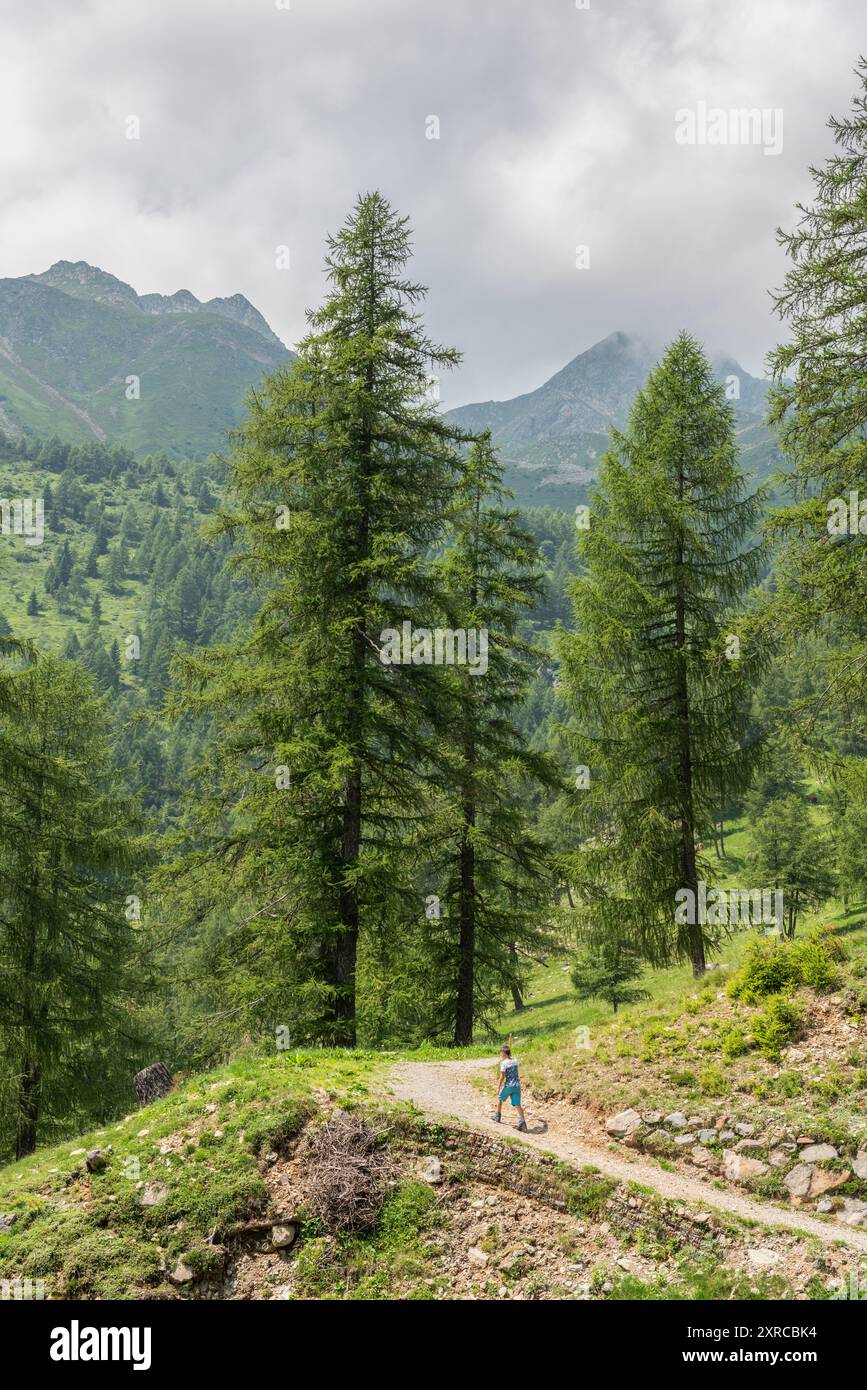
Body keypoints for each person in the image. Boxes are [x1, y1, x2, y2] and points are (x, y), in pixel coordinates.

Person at [491, 1045, 527, 1131]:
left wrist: (498, 1087)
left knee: (500, 1098)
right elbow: (512, 1062)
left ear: (504, 1053)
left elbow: (502, 1077)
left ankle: (497, 1116)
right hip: (517, 1086)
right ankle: (522, 1123)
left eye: (501, 1053)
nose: (500, 1055)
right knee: (518, 1105)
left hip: (509, 1086)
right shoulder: (515, 1060)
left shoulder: (503, 1063)